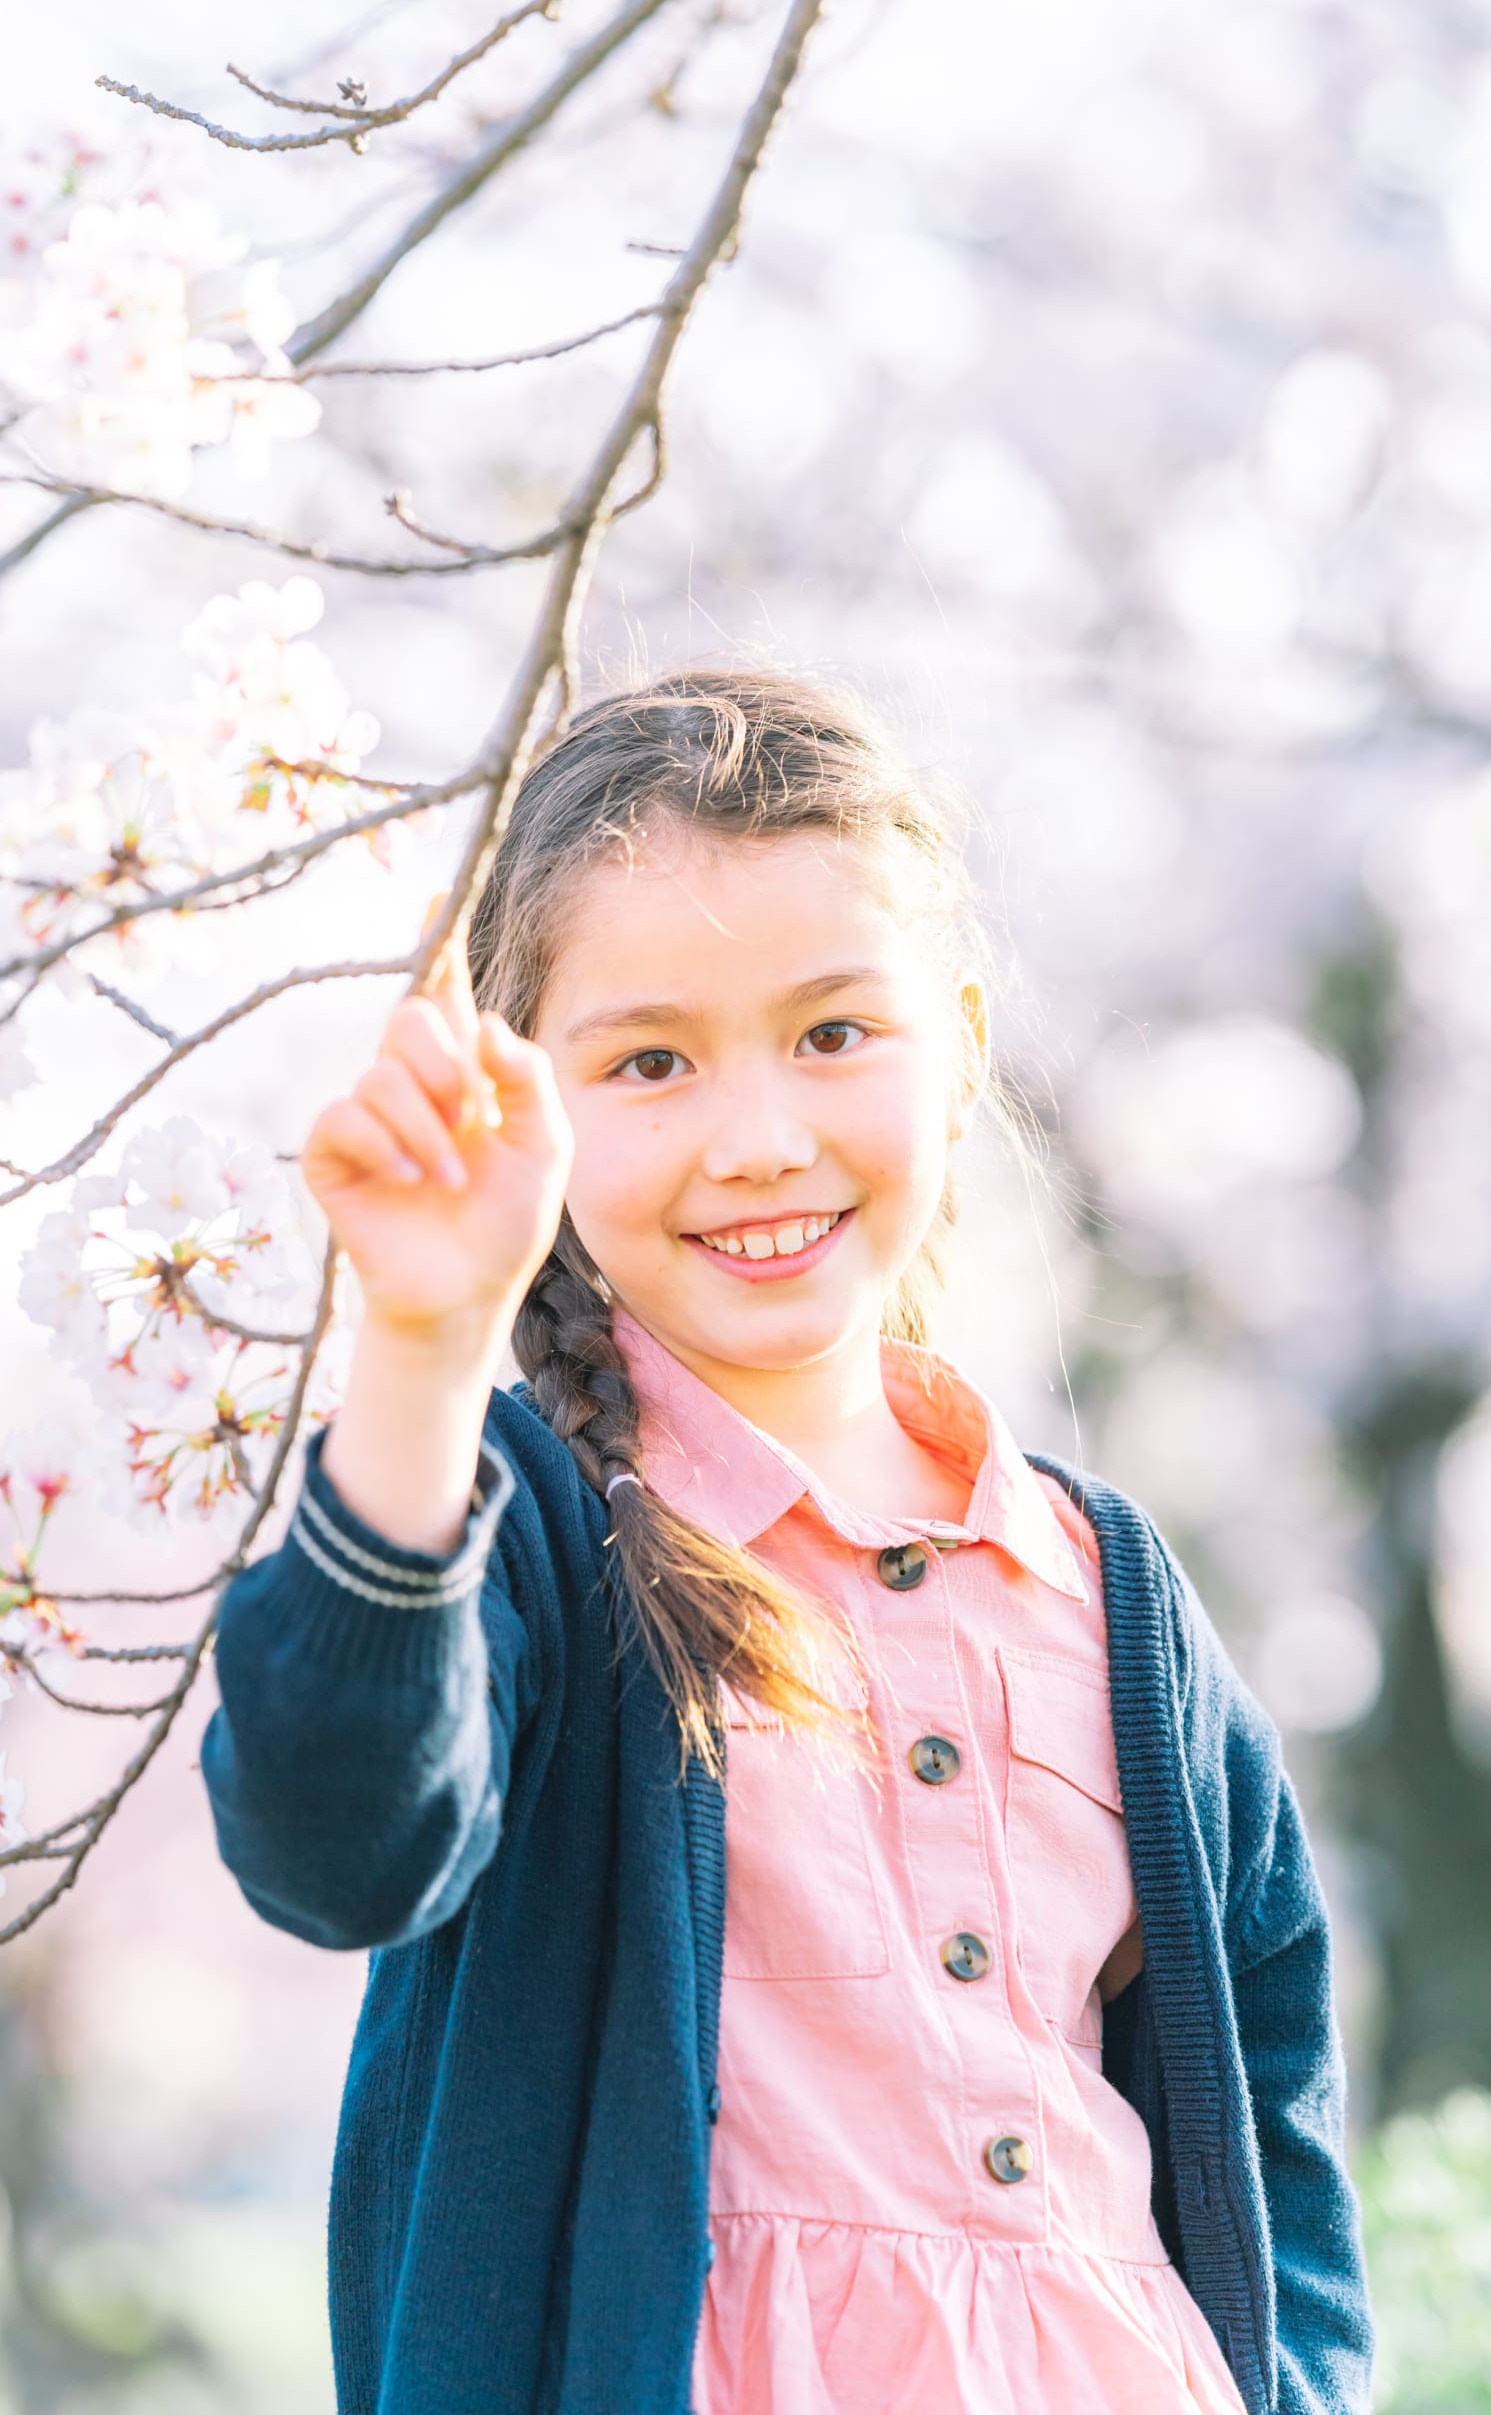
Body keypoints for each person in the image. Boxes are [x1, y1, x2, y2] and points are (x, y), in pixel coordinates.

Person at [198, 672, 1374, 2415]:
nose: (759, 1140)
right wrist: (426, 1351)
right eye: (650, 1062)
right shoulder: (517, 1526)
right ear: (533, 1100)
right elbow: (334, 1844)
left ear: (962, 1041)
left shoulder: (1096, 1586)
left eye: (834, 1033)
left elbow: (1269, 2114)